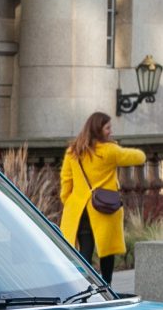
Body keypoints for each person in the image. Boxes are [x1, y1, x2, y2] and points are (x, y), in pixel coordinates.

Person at [59, 112, 146, 285]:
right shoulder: (109, 151)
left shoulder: (73, 151)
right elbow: (139, 157)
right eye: (108, 128)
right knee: (107, 250)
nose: (110, 131)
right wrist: (115, 146)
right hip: (103, 207)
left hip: (80, 209)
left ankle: (81, 286)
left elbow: (65, 181)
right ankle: (106, 285)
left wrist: (70, 201)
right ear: (98, 130)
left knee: (85, 249)